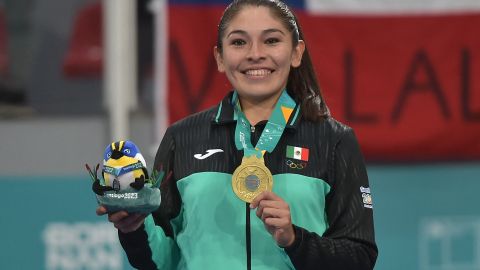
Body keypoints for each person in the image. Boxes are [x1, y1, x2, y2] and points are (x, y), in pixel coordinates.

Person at [97, 0, 378, 269]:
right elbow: (162, 261)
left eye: (271, 40)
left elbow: (359, 257)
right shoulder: (182, 138)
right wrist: (134, 229)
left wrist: (295, 239)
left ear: (296, 53)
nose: (255, 53)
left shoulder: (333, 140)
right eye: (239, 42)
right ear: (220, 57)